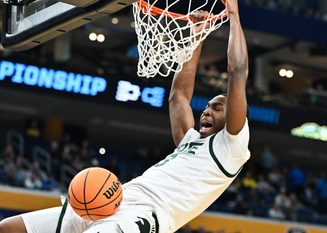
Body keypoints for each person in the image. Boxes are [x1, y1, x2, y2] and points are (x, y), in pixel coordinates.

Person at [0, 0, 250, 232]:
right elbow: (179, 97)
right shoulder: (190, 140)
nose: (206, 110)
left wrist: (235, 16)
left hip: (143, 215)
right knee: (9, 227)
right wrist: (196, 37)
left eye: (217, 108)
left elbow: (237, 71)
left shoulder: (231, 147)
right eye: (207, 106)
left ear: (236, 117)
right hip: (110, 200)